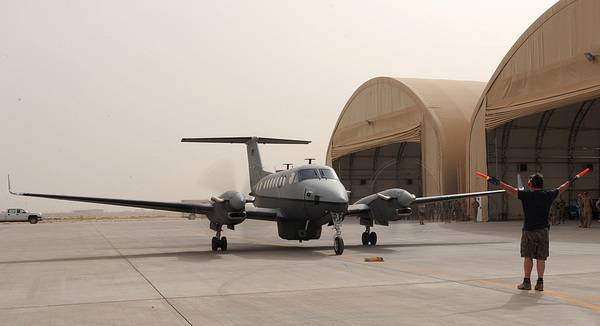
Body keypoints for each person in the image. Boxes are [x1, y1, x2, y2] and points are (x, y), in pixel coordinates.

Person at [486, 172, 572, 291]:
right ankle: (540, 282)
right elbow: (562, 188)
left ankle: (527, 282)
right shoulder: (548, 195)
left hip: (529, 231)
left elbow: (510, 189)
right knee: (541, 258)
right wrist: (570, 182)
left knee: (528, 256)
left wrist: (498, 183)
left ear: (530, 184)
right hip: (543, 231)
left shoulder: (526, 195)